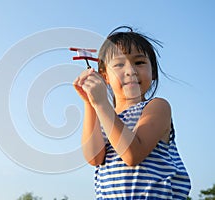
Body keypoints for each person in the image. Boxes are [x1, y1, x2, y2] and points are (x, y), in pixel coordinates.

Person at [73, 26, 191, 199]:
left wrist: (101, 103)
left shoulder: (157, 107)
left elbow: (132, 154)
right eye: (119, 64)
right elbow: (94, 158)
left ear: (153, 73)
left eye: (139, 62)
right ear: (105, 76)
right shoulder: (104, 114)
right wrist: (90, 103)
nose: (130, 71)